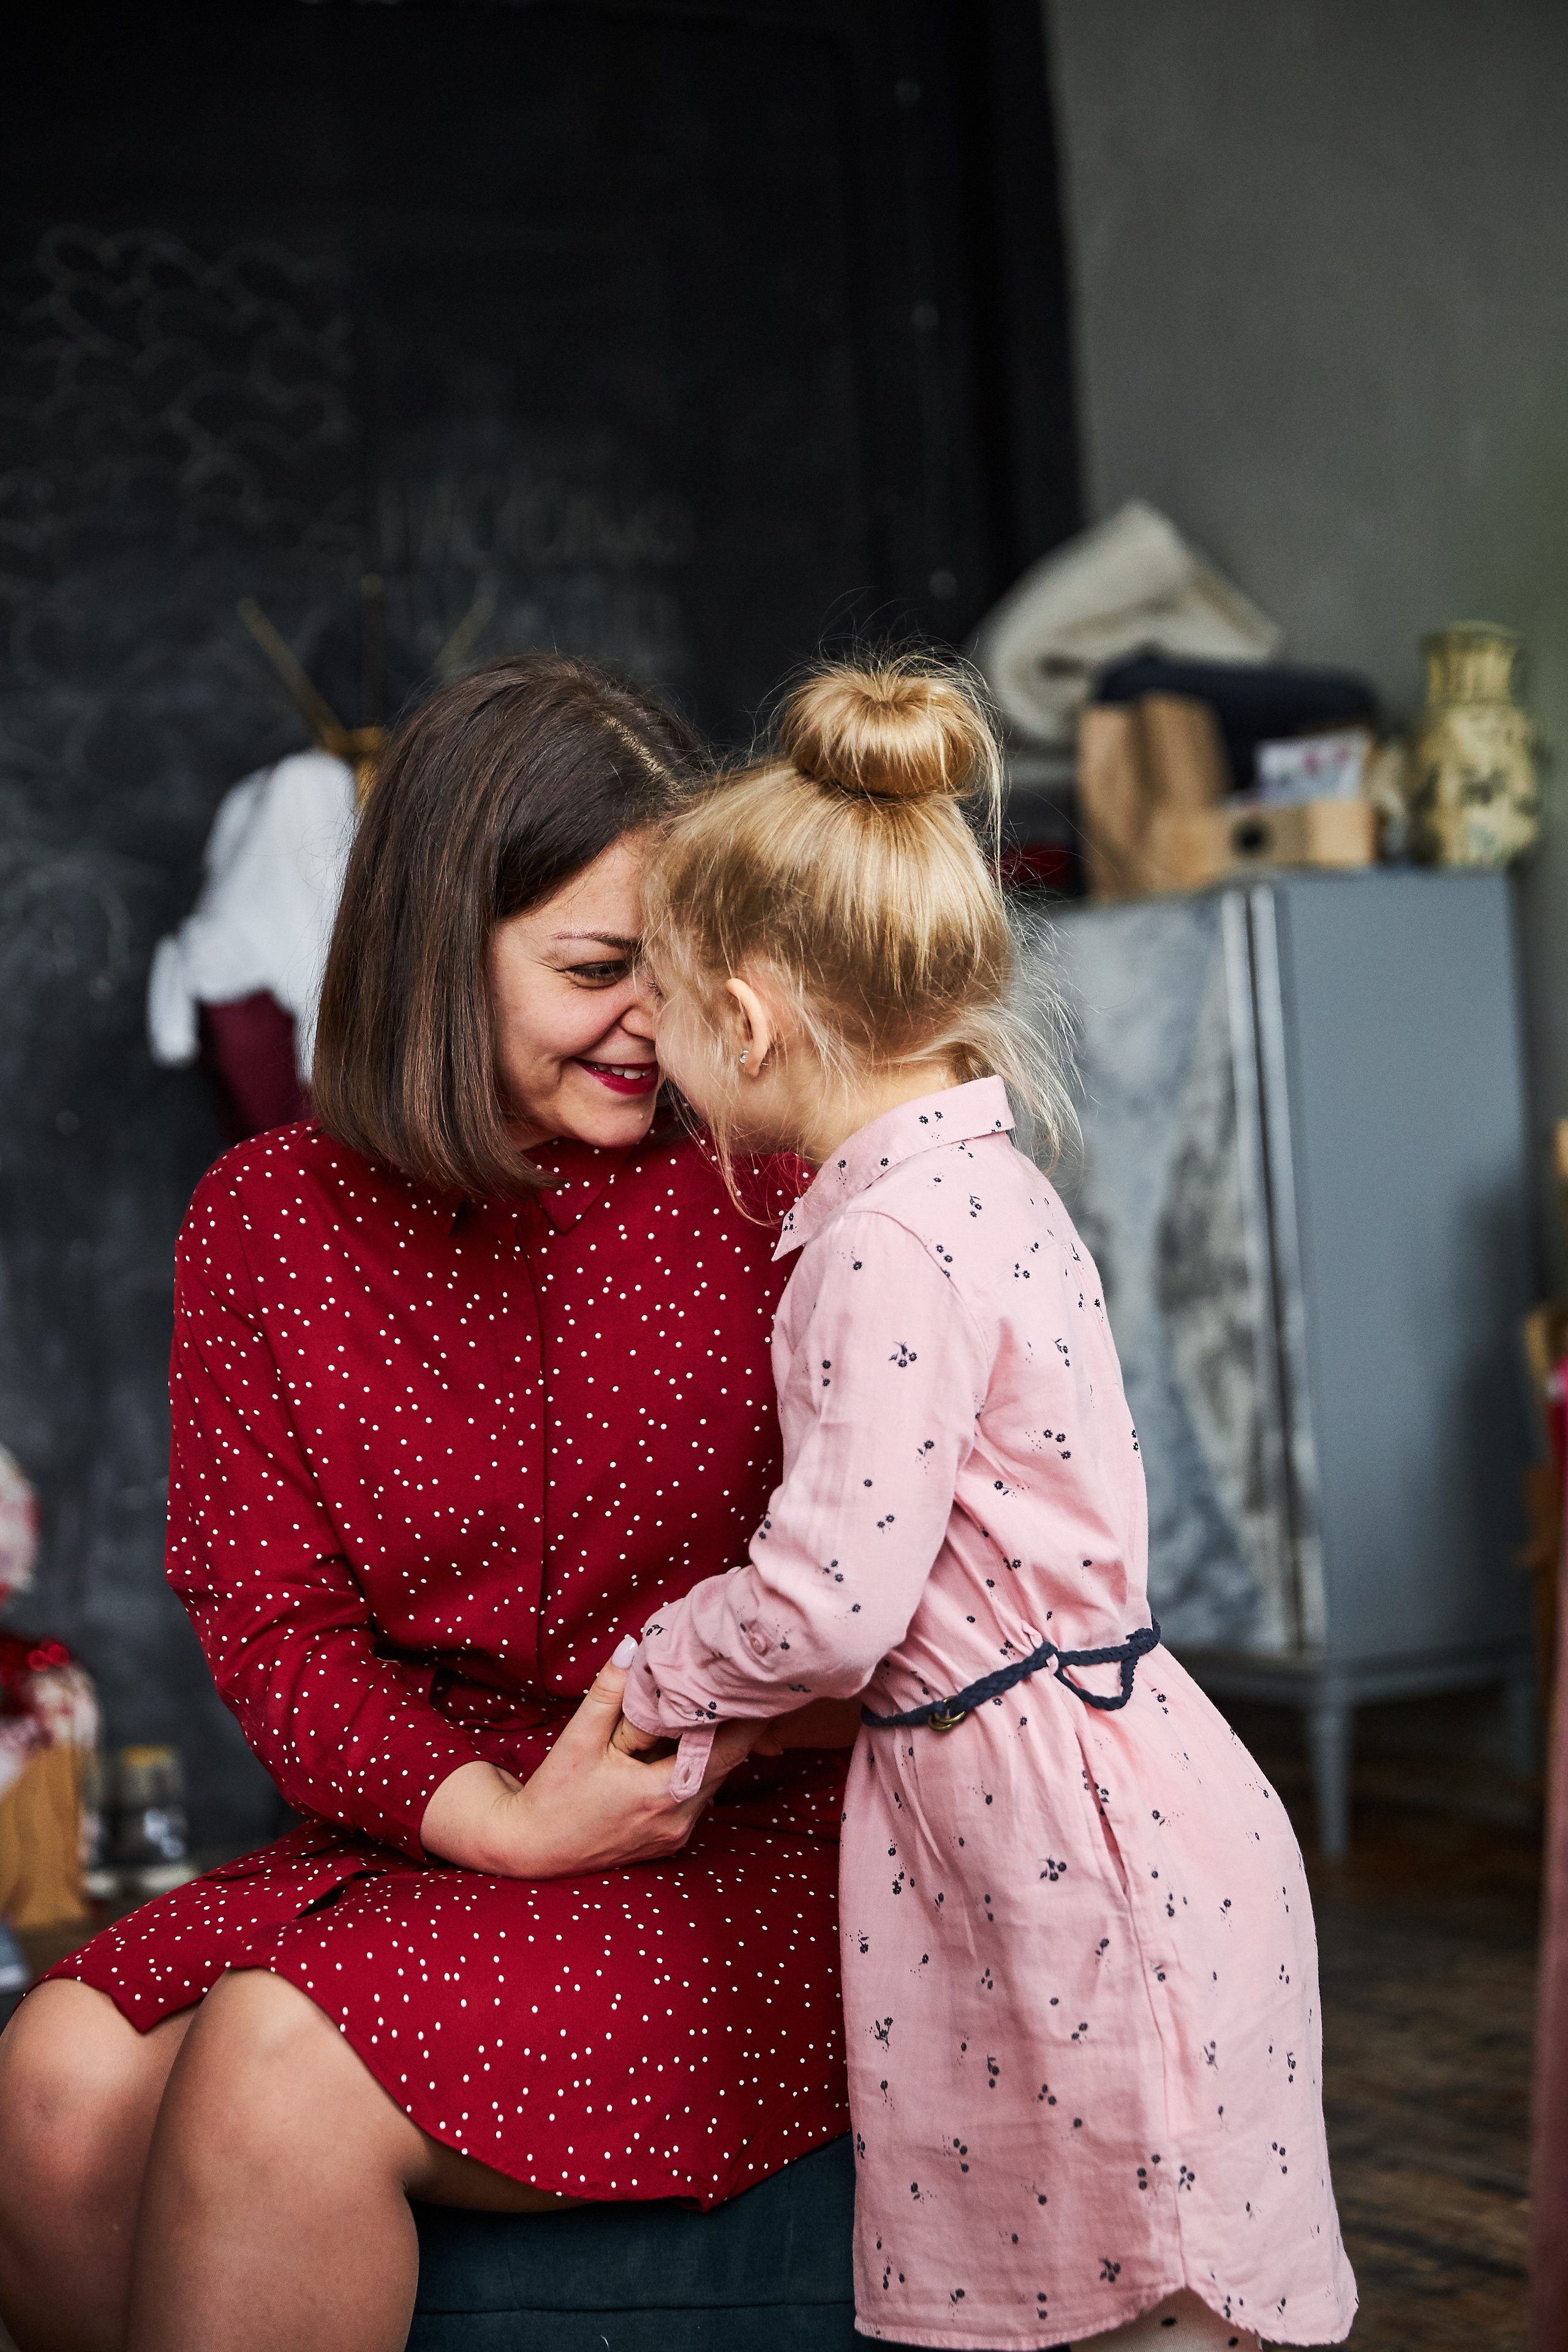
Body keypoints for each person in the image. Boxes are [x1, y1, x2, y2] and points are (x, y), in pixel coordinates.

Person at [0, 654, 854, 2352]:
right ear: (436, 955)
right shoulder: (267, 1223)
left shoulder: (787, 1186)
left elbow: (926, 1595)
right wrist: (497, 1822)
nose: (655, 1020)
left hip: (745, 1856)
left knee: (277, 2062)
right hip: (434, 1839)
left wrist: (669, 1763)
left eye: (682, 964)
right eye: (596, 969)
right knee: (50, 2080)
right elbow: (274, 1631)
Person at [612, 656, 1359, 2352]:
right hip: (1121, 1785)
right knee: (1140, 2290)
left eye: (657, 1001)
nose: (649, 1046)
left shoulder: (878, 1244)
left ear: (747, 1020)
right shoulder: (984, 1183)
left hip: (1056, 1851)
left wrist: (660, 1670)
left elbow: (830, 1604)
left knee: (1127, 2294)